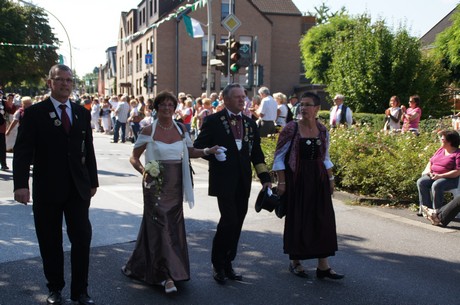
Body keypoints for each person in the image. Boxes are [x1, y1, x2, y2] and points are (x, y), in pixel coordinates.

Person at [13, 64, 99, 305]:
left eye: (69, 80)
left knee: (82, 239)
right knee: (50, 241)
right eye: (60, 80)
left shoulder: (81, 113)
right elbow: (22, 151)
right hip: (47, 188)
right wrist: (20, 184)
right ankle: (55, 288)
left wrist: (93, 181)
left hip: (78, 189)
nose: (65, 84)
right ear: (50, 83)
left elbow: (88, 149)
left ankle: (80, 291)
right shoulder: (34, 113)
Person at [121, 91, 221, 294]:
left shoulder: (181, 128)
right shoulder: (148, 130)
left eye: (170, 105)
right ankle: (166, 276)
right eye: (163, 105)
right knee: (161, 226)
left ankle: (142, 264)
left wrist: (208, 151)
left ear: (174, 108)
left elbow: (191, 152)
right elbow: (134, 157)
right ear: (156, 108)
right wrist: (145, 171)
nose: (167, 108)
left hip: (176, 185)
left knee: (172, 227)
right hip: (155, 186)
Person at [193, 83, 272, 285]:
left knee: (238, 223)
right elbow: (199, 147)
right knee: (228, 220)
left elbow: (256, 154)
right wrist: (212, 154)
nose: (242, 100)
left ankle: (228, 263)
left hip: (243, 181)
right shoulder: (213, 120)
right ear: (226, 100)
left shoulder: (250, 123)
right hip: (223, 180)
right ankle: (218, 264)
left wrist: (265, 179)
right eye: (237, 97)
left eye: (243, 96)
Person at [273, 92, 344, 281]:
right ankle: (295, 262)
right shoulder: (291, 129)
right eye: (301, 105)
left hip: (318, 178)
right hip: (298, 178)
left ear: (317, 109)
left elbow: (326, 158)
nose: (303, 108)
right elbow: (279, 158)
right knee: (298, 219)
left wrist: (330, 179)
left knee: (323, 219)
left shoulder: (322, 130)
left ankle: (323, 266)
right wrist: (282, 182)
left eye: (307, 105)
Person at [416, 130, 460, 216]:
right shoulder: (441, 150)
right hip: (434, 175)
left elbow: (457, 172)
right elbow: (431, 161)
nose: (441, 140)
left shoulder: (458, 154)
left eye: (442, 139)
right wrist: (429, 171)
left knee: (437, 184)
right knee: (421, 182)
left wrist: (440, 176)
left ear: (449, 142)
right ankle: (426, 209)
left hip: (450, 179)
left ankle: (437, 212)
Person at [1, 92, 17, 170]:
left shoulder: (3, 103)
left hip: (1, 127)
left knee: (2, 147)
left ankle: (3, 164)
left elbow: (11, 111)